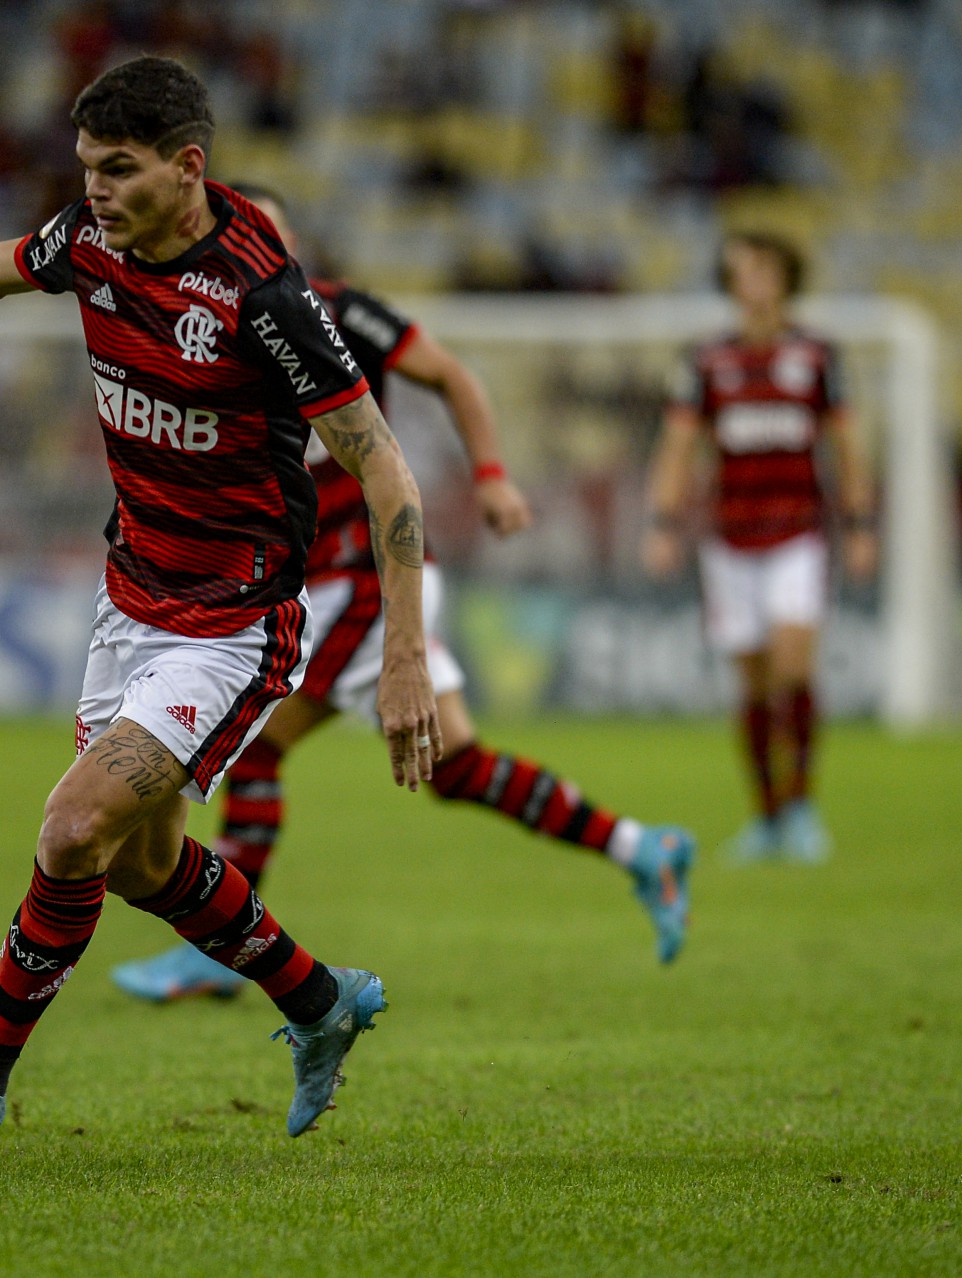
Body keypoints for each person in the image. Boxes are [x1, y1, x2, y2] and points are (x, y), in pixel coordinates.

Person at [0, 56, 439, 1176]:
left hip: (235, 621)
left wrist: (404, 666)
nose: (91, 189)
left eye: (118, 169)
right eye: (85, 167)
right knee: (145, 865)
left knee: (70, 831)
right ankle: (319, 997)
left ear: (188, 168)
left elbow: (387, 474)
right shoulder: (94, 243)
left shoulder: (263, 297)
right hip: (130, 596)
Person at [111, 188, 696, 1006]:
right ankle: (641, 847)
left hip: (371, 573)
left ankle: (218, 953)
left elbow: (452, 375)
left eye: (268, 232)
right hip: (320, 577)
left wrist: (490, 475)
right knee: (454, 763)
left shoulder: (342, 314)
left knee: (263, 741)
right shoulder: (202, 325)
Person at [643, 232, 878, 862]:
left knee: (793, 665)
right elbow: (678, 444)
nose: (753, 280)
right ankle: (767, 816)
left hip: (798, 532)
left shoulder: (819, 355)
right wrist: (662, 524)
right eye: (742, 270)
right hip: (729, 538)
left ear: (786, 276)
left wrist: (860, 524)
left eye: (764, 268)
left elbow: (848, 444)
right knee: (750, 682)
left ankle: (802, 808)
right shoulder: (705, 361)